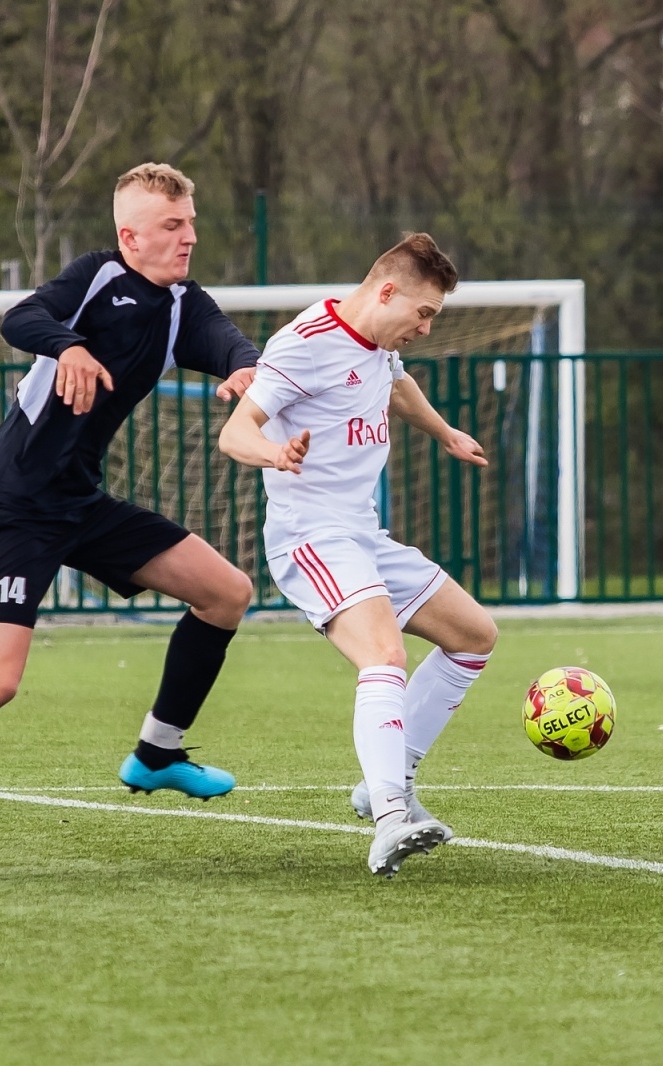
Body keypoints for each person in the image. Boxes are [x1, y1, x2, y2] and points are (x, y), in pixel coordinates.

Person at [0, 162, 257, 835]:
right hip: (15, 504)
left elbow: (229, 343)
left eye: (191, 224)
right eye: (172, 225)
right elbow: (22, 319)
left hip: (81, 504)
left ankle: (157, 752)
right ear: (130, 237)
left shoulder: (183, 304)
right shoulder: (97, 276)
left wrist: (244, 370)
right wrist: (68, 348)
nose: (188, 238)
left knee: (226, 592)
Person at [218, 233, 498, 878]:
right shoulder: (304, 343)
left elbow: (396, 386)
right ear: (387, 292)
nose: (425, 329)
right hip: (311, 537)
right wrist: (276, 454)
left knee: (473, 636)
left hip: (362, 535)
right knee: (384, 655)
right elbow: (236, 433)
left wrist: (446, 433)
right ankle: (391, 817)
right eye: (423, 313)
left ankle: (387, 782)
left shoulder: (377, 344)